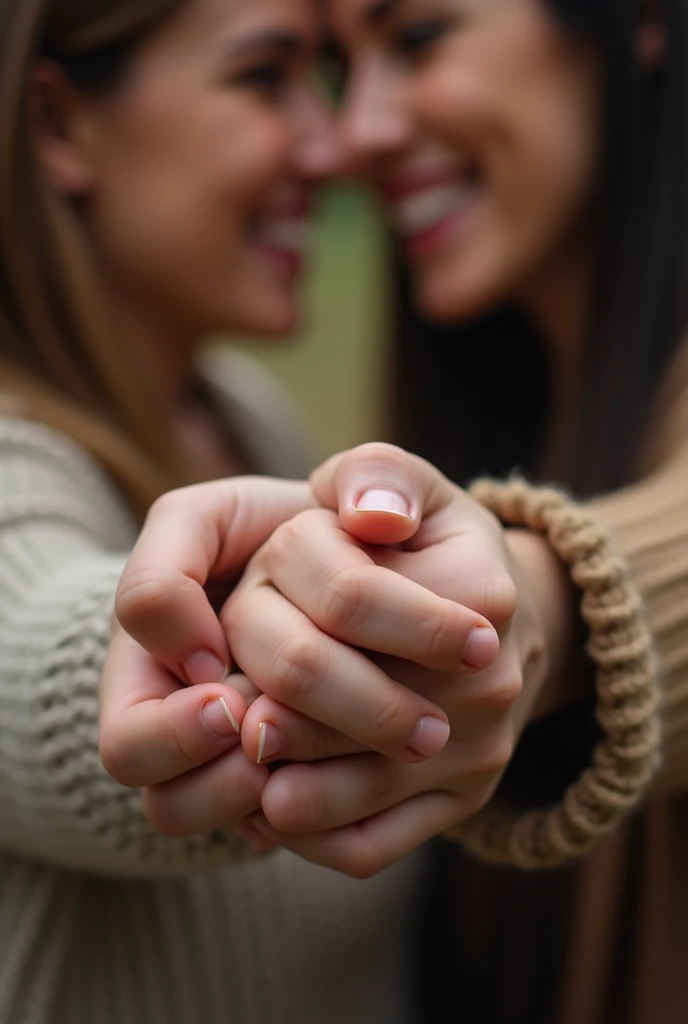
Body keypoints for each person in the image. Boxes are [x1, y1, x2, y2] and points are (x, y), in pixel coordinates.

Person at [105, 2, 688, 1023]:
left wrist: (538, 607)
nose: (355, 132)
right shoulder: (479, 410)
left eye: (417, 39)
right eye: (339, 69)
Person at [0, 1, 481, 1021]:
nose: (334, 143)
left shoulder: (248, 420)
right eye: (266, 78)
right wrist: (230, 642)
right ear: (59, 125)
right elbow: (45, 663)